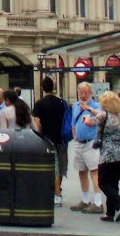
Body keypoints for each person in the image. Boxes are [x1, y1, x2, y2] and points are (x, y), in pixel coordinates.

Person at [84, 91, 120, 222]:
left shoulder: (104, 114)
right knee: (113, 183)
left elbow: (90, 123)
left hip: (108, 155)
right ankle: (110, 214)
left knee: (103, 183)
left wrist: (86, 117)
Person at [32, 77, 68, 206]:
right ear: (53, 87)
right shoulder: (61, 102)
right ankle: (58, 191)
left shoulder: (39, 103)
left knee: (53, 167)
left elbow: (37, 124)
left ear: (42, 88)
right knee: (61, 166)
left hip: (47, 140)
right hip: (61, 139)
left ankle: (56, 195)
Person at [68, 82, 103, 214]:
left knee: (94, 171)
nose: (83, 96)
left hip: (91, 142)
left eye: (85, 93)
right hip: (79, 142)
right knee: (81, 171)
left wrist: (88, 108)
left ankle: (98, 202)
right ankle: (85, 199)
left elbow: (101, 116)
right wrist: (75, 135)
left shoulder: (96, 106)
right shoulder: (75, 106)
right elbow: (73, 122)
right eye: (80, 93)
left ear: (90, 94)